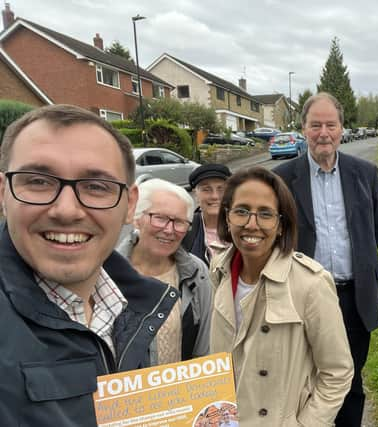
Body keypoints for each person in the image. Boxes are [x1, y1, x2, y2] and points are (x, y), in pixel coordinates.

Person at [0, 104, 178, 425]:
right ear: (3, 193)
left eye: (96, 187)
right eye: (39, 181)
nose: (66, 210)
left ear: (130, 205)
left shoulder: (137, 305)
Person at [273, 92, 378, 426]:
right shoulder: (281, 178)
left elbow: (376, 230)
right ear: (303, 129)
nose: (324, 133)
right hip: (301, 298)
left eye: (331, 125)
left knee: (350, 379)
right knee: (303, 379)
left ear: (341, 128)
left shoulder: (365, 172)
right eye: (315, 125)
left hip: (353, 296)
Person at [209, 166, 353, 426]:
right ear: (227, 216)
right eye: (241, 211)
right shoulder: (218, 270)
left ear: (281, 226)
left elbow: (338, 372)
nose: (252, 224)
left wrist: (306, 424)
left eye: (265, 214)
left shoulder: (310, 283)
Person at [117, 178, 212, 363]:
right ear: (137, 219)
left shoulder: (197, 272)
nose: (169, 230)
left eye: (179, 222)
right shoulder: (106, 271)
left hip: (183, 390)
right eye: (159, 218)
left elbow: (205, 350)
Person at [182, 163, 232, 265]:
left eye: (221, 189)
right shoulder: (184, 231)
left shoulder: (244, 226)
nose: (215, 196)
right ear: (195, 193)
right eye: (206, 189)